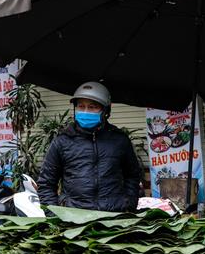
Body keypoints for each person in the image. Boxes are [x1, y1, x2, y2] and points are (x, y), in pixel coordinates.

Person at [37, 81, 140, 212]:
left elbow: (132, 175)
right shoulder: (63, 141)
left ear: (105, 110)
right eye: (81, 106)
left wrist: (128, 203)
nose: (85, 111)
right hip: (74, 217)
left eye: (92, 107)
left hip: (114, 216)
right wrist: (54, 214)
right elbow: (46, 183)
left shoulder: (119, 140)